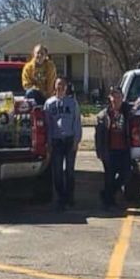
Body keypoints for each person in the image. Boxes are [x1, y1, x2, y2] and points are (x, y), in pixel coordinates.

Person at [44, 77, 82, 211]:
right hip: (56, 141)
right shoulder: (49, 103)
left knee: (70, 171)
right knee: (57, 172)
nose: (60, 87)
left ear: (66, 87)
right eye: (58, 84)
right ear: (54, 86)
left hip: (69, 139)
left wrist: (77, 141)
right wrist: (48, 143)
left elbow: (77, 122)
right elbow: (47, 125)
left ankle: (70, 197)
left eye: (62, 85)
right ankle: (60, 197)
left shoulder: (72, 103)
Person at [95, 86, 131, 212]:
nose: (116, 99)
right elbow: (98, 136)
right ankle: (109, 202)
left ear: (122, 97)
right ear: (110, 98)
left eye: (118, 96)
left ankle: (106, 194)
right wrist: (99, 152)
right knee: (109, 178)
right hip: (109, 150)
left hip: (124, 150)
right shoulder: (103, 115)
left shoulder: (128, 111)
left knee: (126, 175)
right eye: (113, 96)